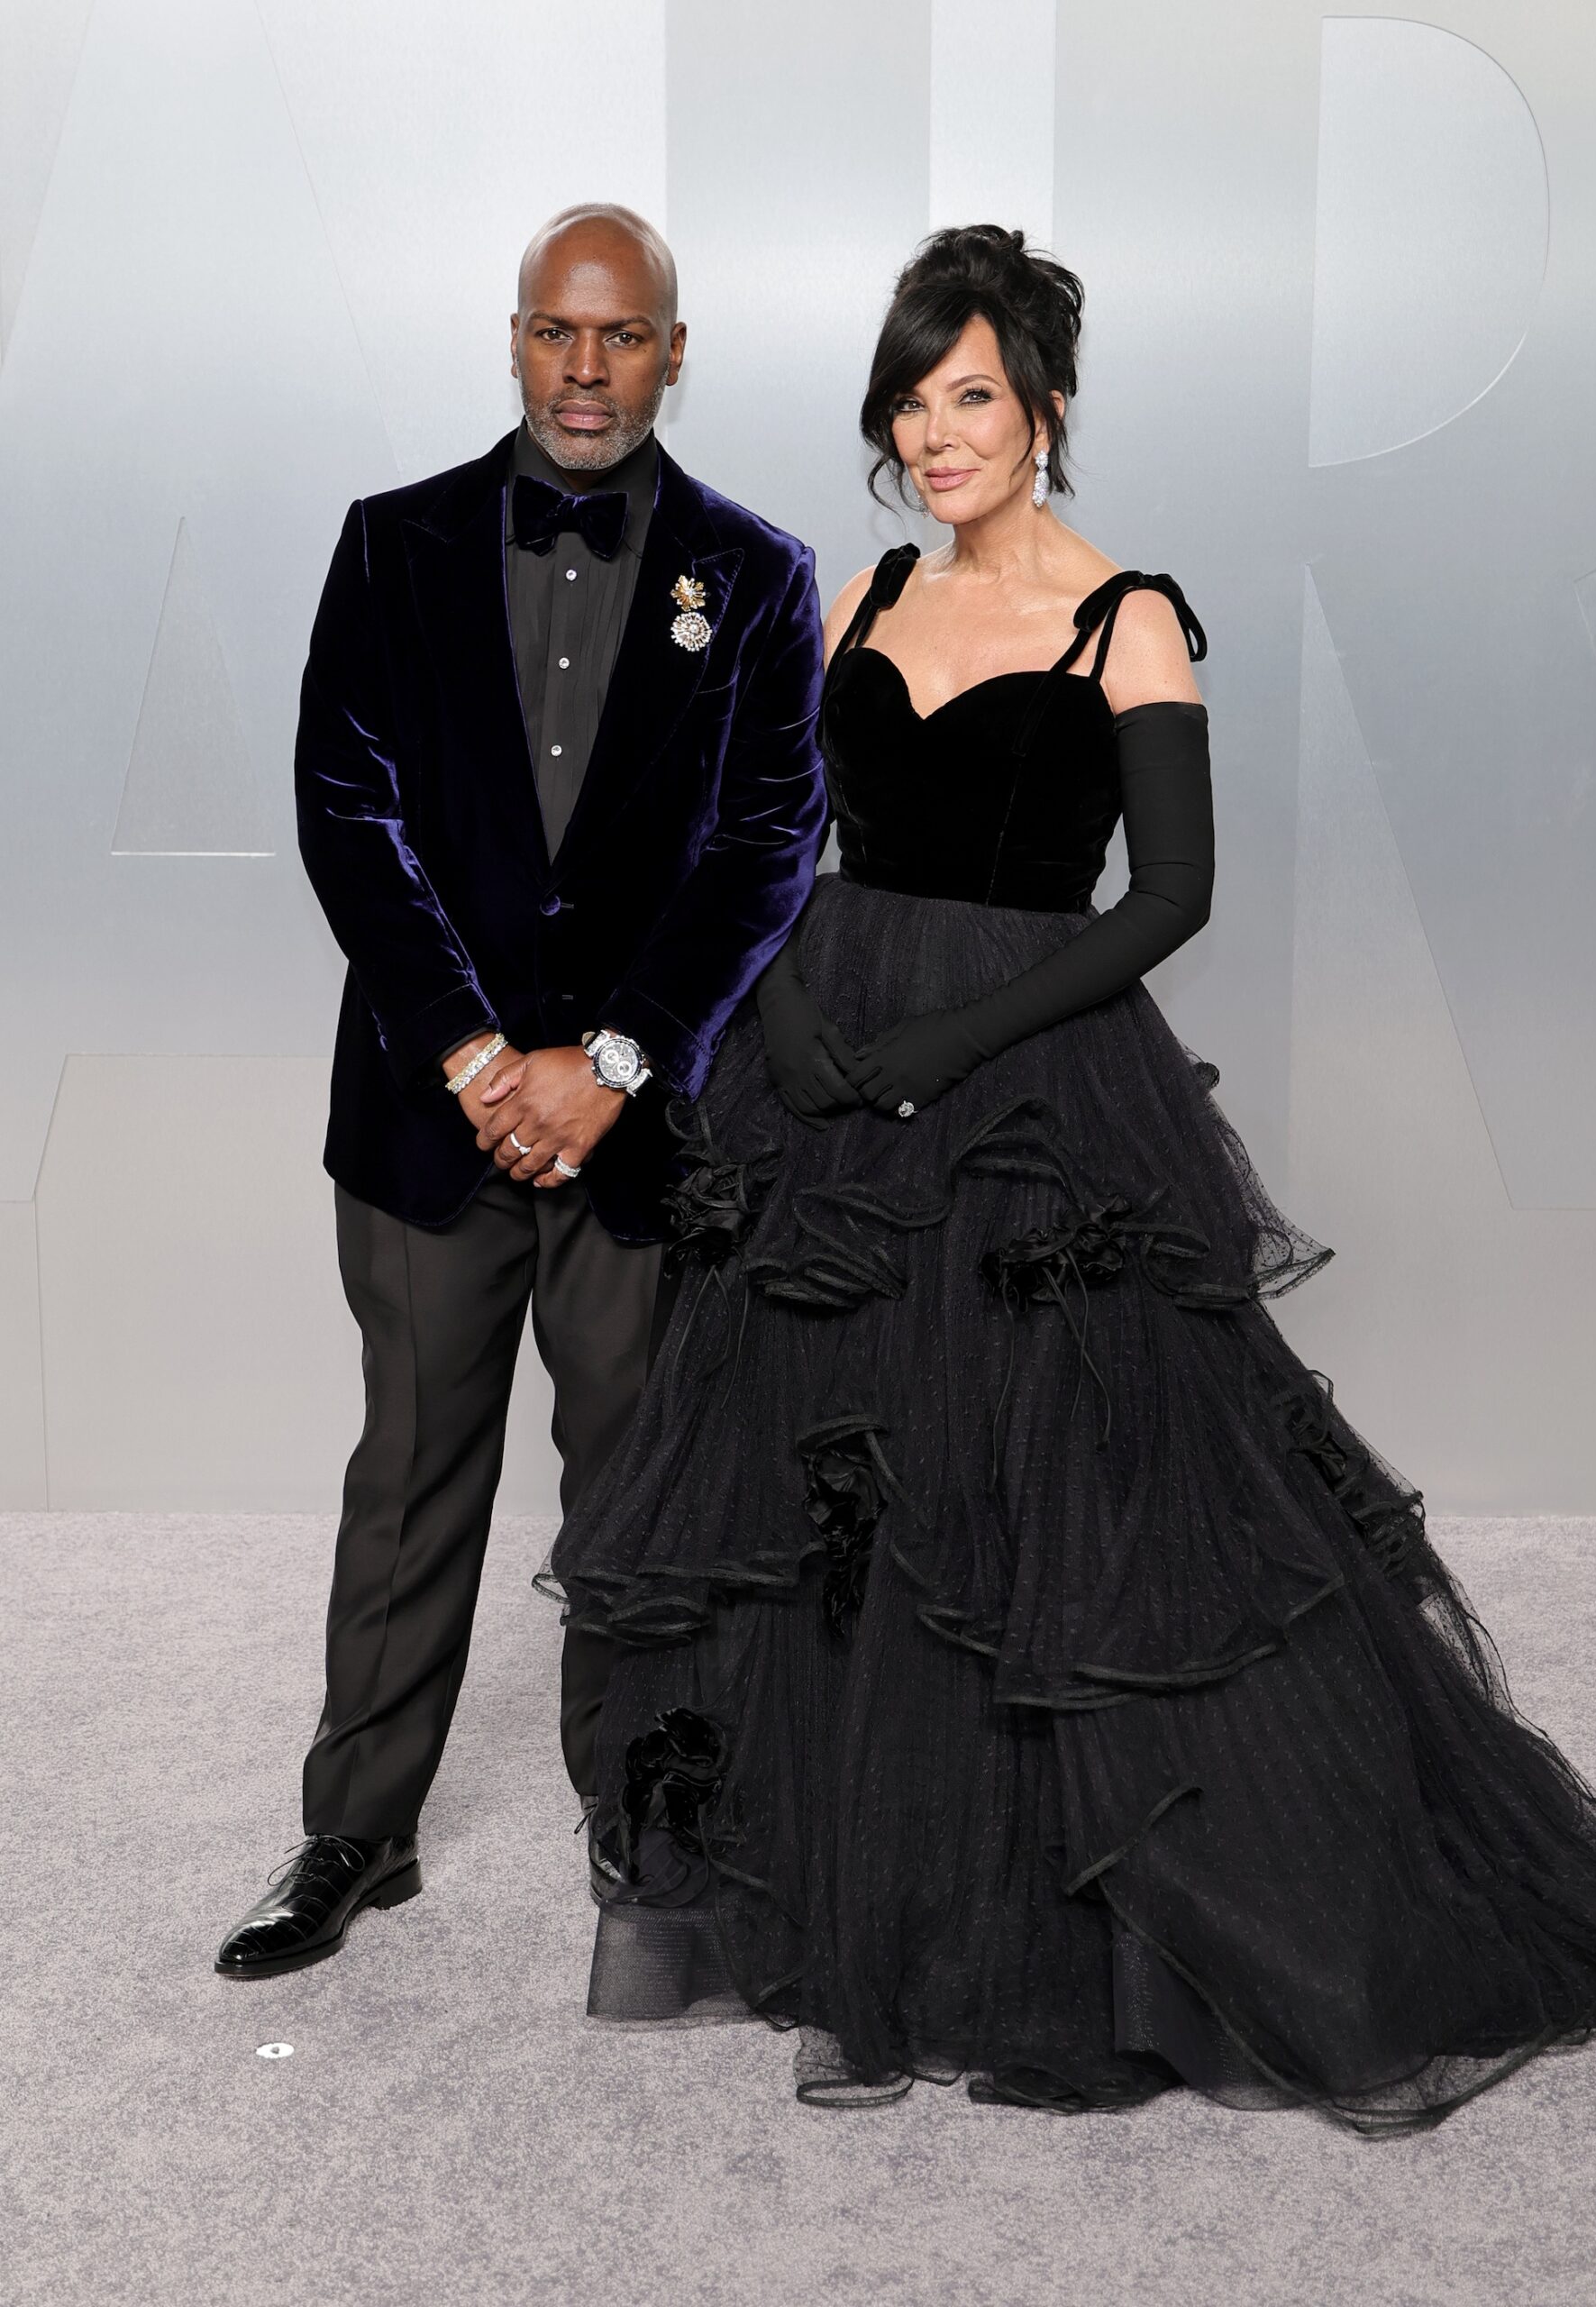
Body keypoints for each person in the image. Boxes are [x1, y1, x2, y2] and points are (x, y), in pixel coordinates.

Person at [543, 224, 1596, 2129]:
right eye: (909, 399)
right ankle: (847, 1920)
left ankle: (1044, 1941)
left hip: (1021, 1084)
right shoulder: (866, 596)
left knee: (1043, 1500)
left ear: (1047, 408)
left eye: (970, 393)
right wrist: (786, 1004)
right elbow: (768, 830)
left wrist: (936, 1048)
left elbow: (1172, 893)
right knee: (834, 1499)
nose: (935, 432)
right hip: (821, 1064)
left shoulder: (1124, 617)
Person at [214, 205, 826, 1979]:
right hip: (430, 1120)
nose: (585, 366)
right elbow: (348, 803)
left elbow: (773, 837)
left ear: (673, 351)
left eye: (622, 335)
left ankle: (647, 1826)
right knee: (410, 1468)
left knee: (638, 1480)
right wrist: (482, 1057)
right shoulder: (391, 543)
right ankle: (354, 1831)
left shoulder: (762, 572)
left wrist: (615, 1060)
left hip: (641, 1126)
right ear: (514, 340)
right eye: (559, 333)